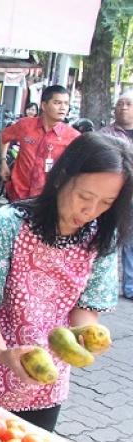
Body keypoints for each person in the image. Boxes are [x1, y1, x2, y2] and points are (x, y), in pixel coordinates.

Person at [0, 133, 132, 431]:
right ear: (62, 178)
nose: (91, 211)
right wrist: (3, 352)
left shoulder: (100, 239)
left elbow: (85, 306)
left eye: (106, 202)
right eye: (84, 196)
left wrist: (88, 334)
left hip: (45, 383)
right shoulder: (8, 224)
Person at [0, 85, 80, 201]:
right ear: (44, 105)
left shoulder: (73, 137)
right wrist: (3, 162)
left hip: (47, 199)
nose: (63, 108)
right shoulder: (25, 125)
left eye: (66, 104)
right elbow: (4, 137)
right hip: (17, 194)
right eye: (57, 103)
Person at [100, 91, 133, 299]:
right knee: (108, 238)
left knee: (130, 241)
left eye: (128, 104)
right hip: (111, 194)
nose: (123, 108)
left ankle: (129, 286)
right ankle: (104, 286)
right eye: (120, 104)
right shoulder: (105, 134)